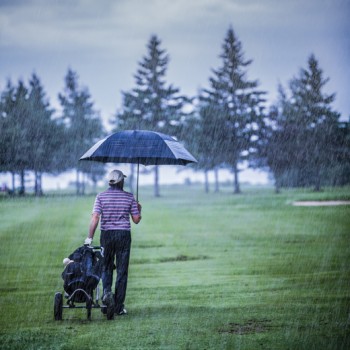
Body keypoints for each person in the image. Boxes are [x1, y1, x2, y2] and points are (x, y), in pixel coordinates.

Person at [84, 169, 141, 317]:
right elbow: (136, 220)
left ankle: (106, 299)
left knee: (106, 268)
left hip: (107, 236)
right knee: (122, 271)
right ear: (121, 181)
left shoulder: (101, 197)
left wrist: (89, 238)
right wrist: (138, 210)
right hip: (123, 236)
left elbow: (95, 217)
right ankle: (118, 306)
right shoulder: (129, 197)